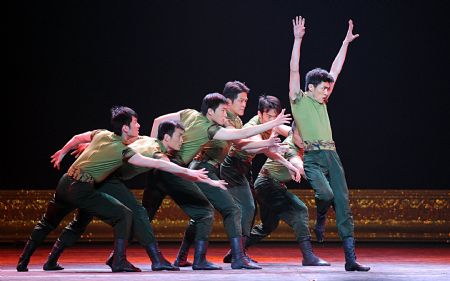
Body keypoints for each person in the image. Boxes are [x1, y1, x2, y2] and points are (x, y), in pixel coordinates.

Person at [16, 106, 208, 272]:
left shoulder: (106, 135)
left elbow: (77, 138)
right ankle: (140, 259)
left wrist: (65, 152)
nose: (139, 125)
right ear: (126, 128)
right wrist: (191, 174)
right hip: (95, 183)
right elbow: (155, 163)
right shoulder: (129, 149)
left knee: (68, 221)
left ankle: (38, 260)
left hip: (68, 181)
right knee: (129, 213)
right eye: (135, 122)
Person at [147, 92, 291, 270]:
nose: (245, 104)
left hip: (184, 168)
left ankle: (184, 257)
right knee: (227, 210)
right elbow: (242, 134)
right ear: (225, 104)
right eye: (241, 100)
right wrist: (156, 152)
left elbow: (240, 142)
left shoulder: (193, 114)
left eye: (246, 100)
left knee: (151, 214)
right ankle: (235, 257)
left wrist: (155, 152)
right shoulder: (213, 127)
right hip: (193, 168)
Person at [289, 16, 370, 271]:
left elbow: (335, 69)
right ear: (310, 88)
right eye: (323, 88)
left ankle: (350, 259)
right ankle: (321, 215)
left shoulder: (323, 100)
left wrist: (345, 43)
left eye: (328, 89)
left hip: (332, 155)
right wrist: (298, 39)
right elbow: (294, 70)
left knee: (343, 204)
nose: (327, 92)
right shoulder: (298, 100)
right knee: (325, 195)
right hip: (312, 156)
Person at [220, 93, 294, 264]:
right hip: (232, 167)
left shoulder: (271, 124)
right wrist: (270, 145)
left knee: (250, 209)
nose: (273, 120)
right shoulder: (254, 124)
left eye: (275, 117)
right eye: (269, 116)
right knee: (248, 208)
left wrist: (288, 163)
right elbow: (255, 148)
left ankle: (237, 252)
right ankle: (239, 256)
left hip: (244, 169)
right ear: (260, 114)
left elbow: (288, 134)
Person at [244, 122, 329, 266]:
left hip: (265, 184)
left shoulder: (295, 134)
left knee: (268, 225)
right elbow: (299, 165)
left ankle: (236, 252)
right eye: (299, 135)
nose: (303, 139)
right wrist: (318, 180)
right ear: (293, 133)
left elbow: (278, 127)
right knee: (299, 209)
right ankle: (308, 256)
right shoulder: (290, 147)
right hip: (268, 185)